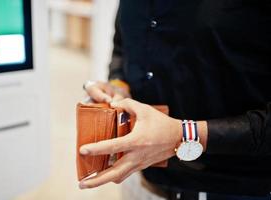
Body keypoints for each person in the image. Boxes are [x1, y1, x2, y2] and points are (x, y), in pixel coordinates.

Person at [79, 1, 271, 199]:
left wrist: (183, 134)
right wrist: (119, 87)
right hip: (140, 177)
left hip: (232, 186)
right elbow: (124, 44)